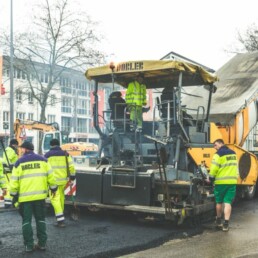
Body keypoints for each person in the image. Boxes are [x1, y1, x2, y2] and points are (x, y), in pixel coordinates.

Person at [10, 141, 57, 252]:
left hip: (25, 199)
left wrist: (14, 195)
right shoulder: (43, 161)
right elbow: (51, 176)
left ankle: (29, 246)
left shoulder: (19, 163)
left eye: (22, 149)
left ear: (26, 149)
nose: (20, 151)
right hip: (40, 197)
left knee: (26, 221)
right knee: (40, 220)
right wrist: (53, 188)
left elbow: (14, 182)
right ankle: (42, 244)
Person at [44, 139, 76, 228]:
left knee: (54, 199)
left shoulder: (47, 155)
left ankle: (60, 219)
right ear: (59, 145)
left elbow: (44, 168)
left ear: (50, 145)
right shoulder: (65, 154)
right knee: (61, 198)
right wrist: (72, 177)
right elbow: (71, 166)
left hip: (53, 181)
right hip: (63, 180)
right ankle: (60, 215)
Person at [209, 139, 238, 232]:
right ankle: (226, 224)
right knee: (228, 203)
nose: (214, 147)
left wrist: (210, 178)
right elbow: (236, 167)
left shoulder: (218, 154)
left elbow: (214, 168)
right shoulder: (233, 153)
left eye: (215, 145)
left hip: (220, 183)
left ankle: (218, 221)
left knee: (219, 202)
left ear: (221, 144)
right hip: (232, 182)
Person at [2, 139, 19, 208]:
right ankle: (10, 203)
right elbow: (7, 161)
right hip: (10, 172)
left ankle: (8, 202)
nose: (17, 147)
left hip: (7, 172)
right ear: (14, 144)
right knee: (11, 187)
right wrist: (13, 166)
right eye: (17, 145)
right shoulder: (11, 151)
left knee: (8, 187)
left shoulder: (7, 150)